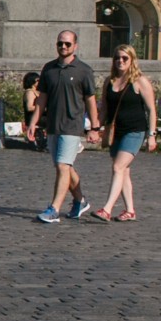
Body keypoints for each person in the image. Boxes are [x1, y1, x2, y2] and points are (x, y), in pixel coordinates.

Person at [30, 32, 100, 224]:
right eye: (60, 43)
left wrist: (94, 127)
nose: (63, 47)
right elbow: (42, 98)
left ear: (75, 46)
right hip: (53, 124)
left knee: (62, 166)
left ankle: (54, 209)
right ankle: (80, 201)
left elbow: (90, 100)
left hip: (72, 125)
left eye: (67, 44)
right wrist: (33, 122)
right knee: (64, 167)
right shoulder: (49, 69)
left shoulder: (84, 70)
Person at [93, 44, 154, 222]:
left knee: (117, 167)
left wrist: (151, 135)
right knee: (124, 171)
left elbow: (151, 109)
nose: (120, 61)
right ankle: (130, 210)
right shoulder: (109, 81)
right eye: (117, 58)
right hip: (116, 131)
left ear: (132, 60)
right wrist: (95, 128)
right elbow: (104, 109)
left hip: (135, 131)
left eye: (125, 58)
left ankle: (107, 209)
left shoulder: (140, 81)